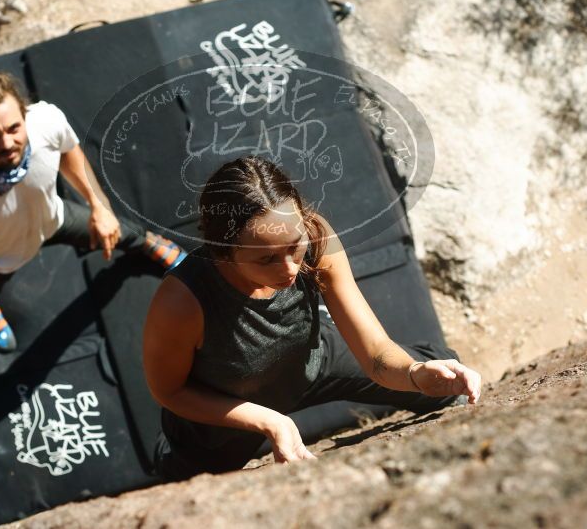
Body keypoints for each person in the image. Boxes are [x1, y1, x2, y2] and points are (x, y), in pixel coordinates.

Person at [143, 156, 483, 481]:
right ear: (224, 253)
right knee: (190, 480)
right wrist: (267, 421)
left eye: (294, 246)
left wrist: (414, 372)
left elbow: (376, 353)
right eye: (266, 260)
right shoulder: (183, 301)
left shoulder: (317, 235)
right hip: (227, 411)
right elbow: (169, 392)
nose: (290, 269)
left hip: (310, 361)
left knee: (442, 381)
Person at [0, 72, 186, 353]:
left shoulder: (47, 121)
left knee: (116, 228)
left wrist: (98, 206)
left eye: (14, 128)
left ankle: (147, 242)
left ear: (25, 116)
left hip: (52, 220)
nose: (7, 144)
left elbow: (69, 151)